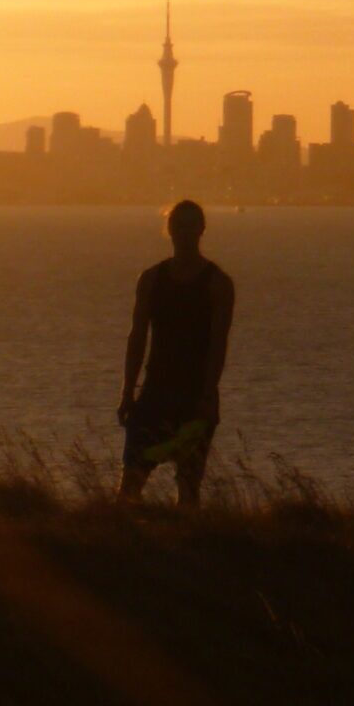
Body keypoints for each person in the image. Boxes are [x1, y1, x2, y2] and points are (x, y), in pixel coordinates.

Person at [118, 198, 235, 507]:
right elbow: (137, 337)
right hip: (155, 392)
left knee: (188, 485)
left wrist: (208, 396)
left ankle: (187, 548)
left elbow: (218, 345)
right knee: (131, 480)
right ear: (168, 230)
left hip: (195, 395)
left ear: (201, 230)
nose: (184, 233)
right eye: (178, 226)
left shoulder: (218, 284)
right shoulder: (151, 279)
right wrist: (127, 392)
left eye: (190, 226)